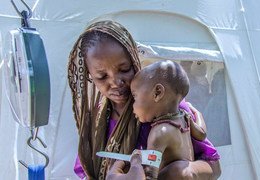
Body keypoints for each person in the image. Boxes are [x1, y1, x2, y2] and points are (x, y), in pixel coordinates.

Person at [68, 20, 220, 180]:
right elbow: (85, 173)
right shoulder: (95, 122)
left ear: (135, 60)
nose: (115, 82)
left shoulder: (166, 108)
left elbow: (214, 166)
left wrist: (180, 172)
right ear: (90, 76)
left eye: (124, 69)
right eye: (102, 76)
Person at [130, 60, 209, 179]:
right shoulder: (184, 117)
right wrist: (198, 114)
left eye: (135, 96)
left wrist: (136, 161)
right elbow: (202, 134)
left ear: (157, 93)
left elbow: (150, 175)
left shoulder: (160, 133)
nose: (132, 105)